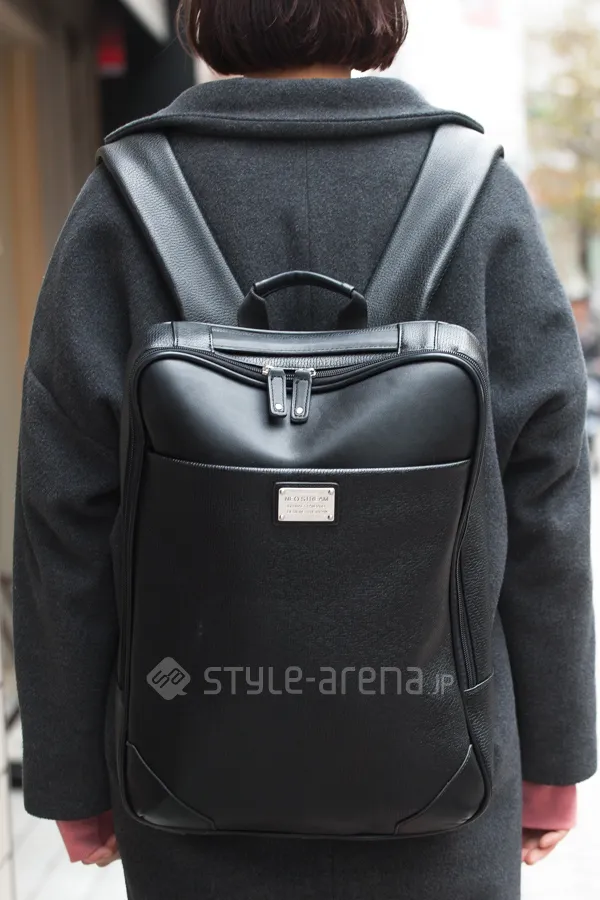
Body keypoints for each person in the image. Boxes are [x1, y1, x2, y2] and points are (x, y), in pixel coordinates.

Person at [12, 2, 596, 898]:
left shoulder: (122, 202)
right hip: (444, 777)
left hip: (190, 773)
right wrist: (556, 756)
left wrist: (70, 775)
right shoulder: (480, 193)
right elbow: (547, 503)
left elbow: (64, 515)